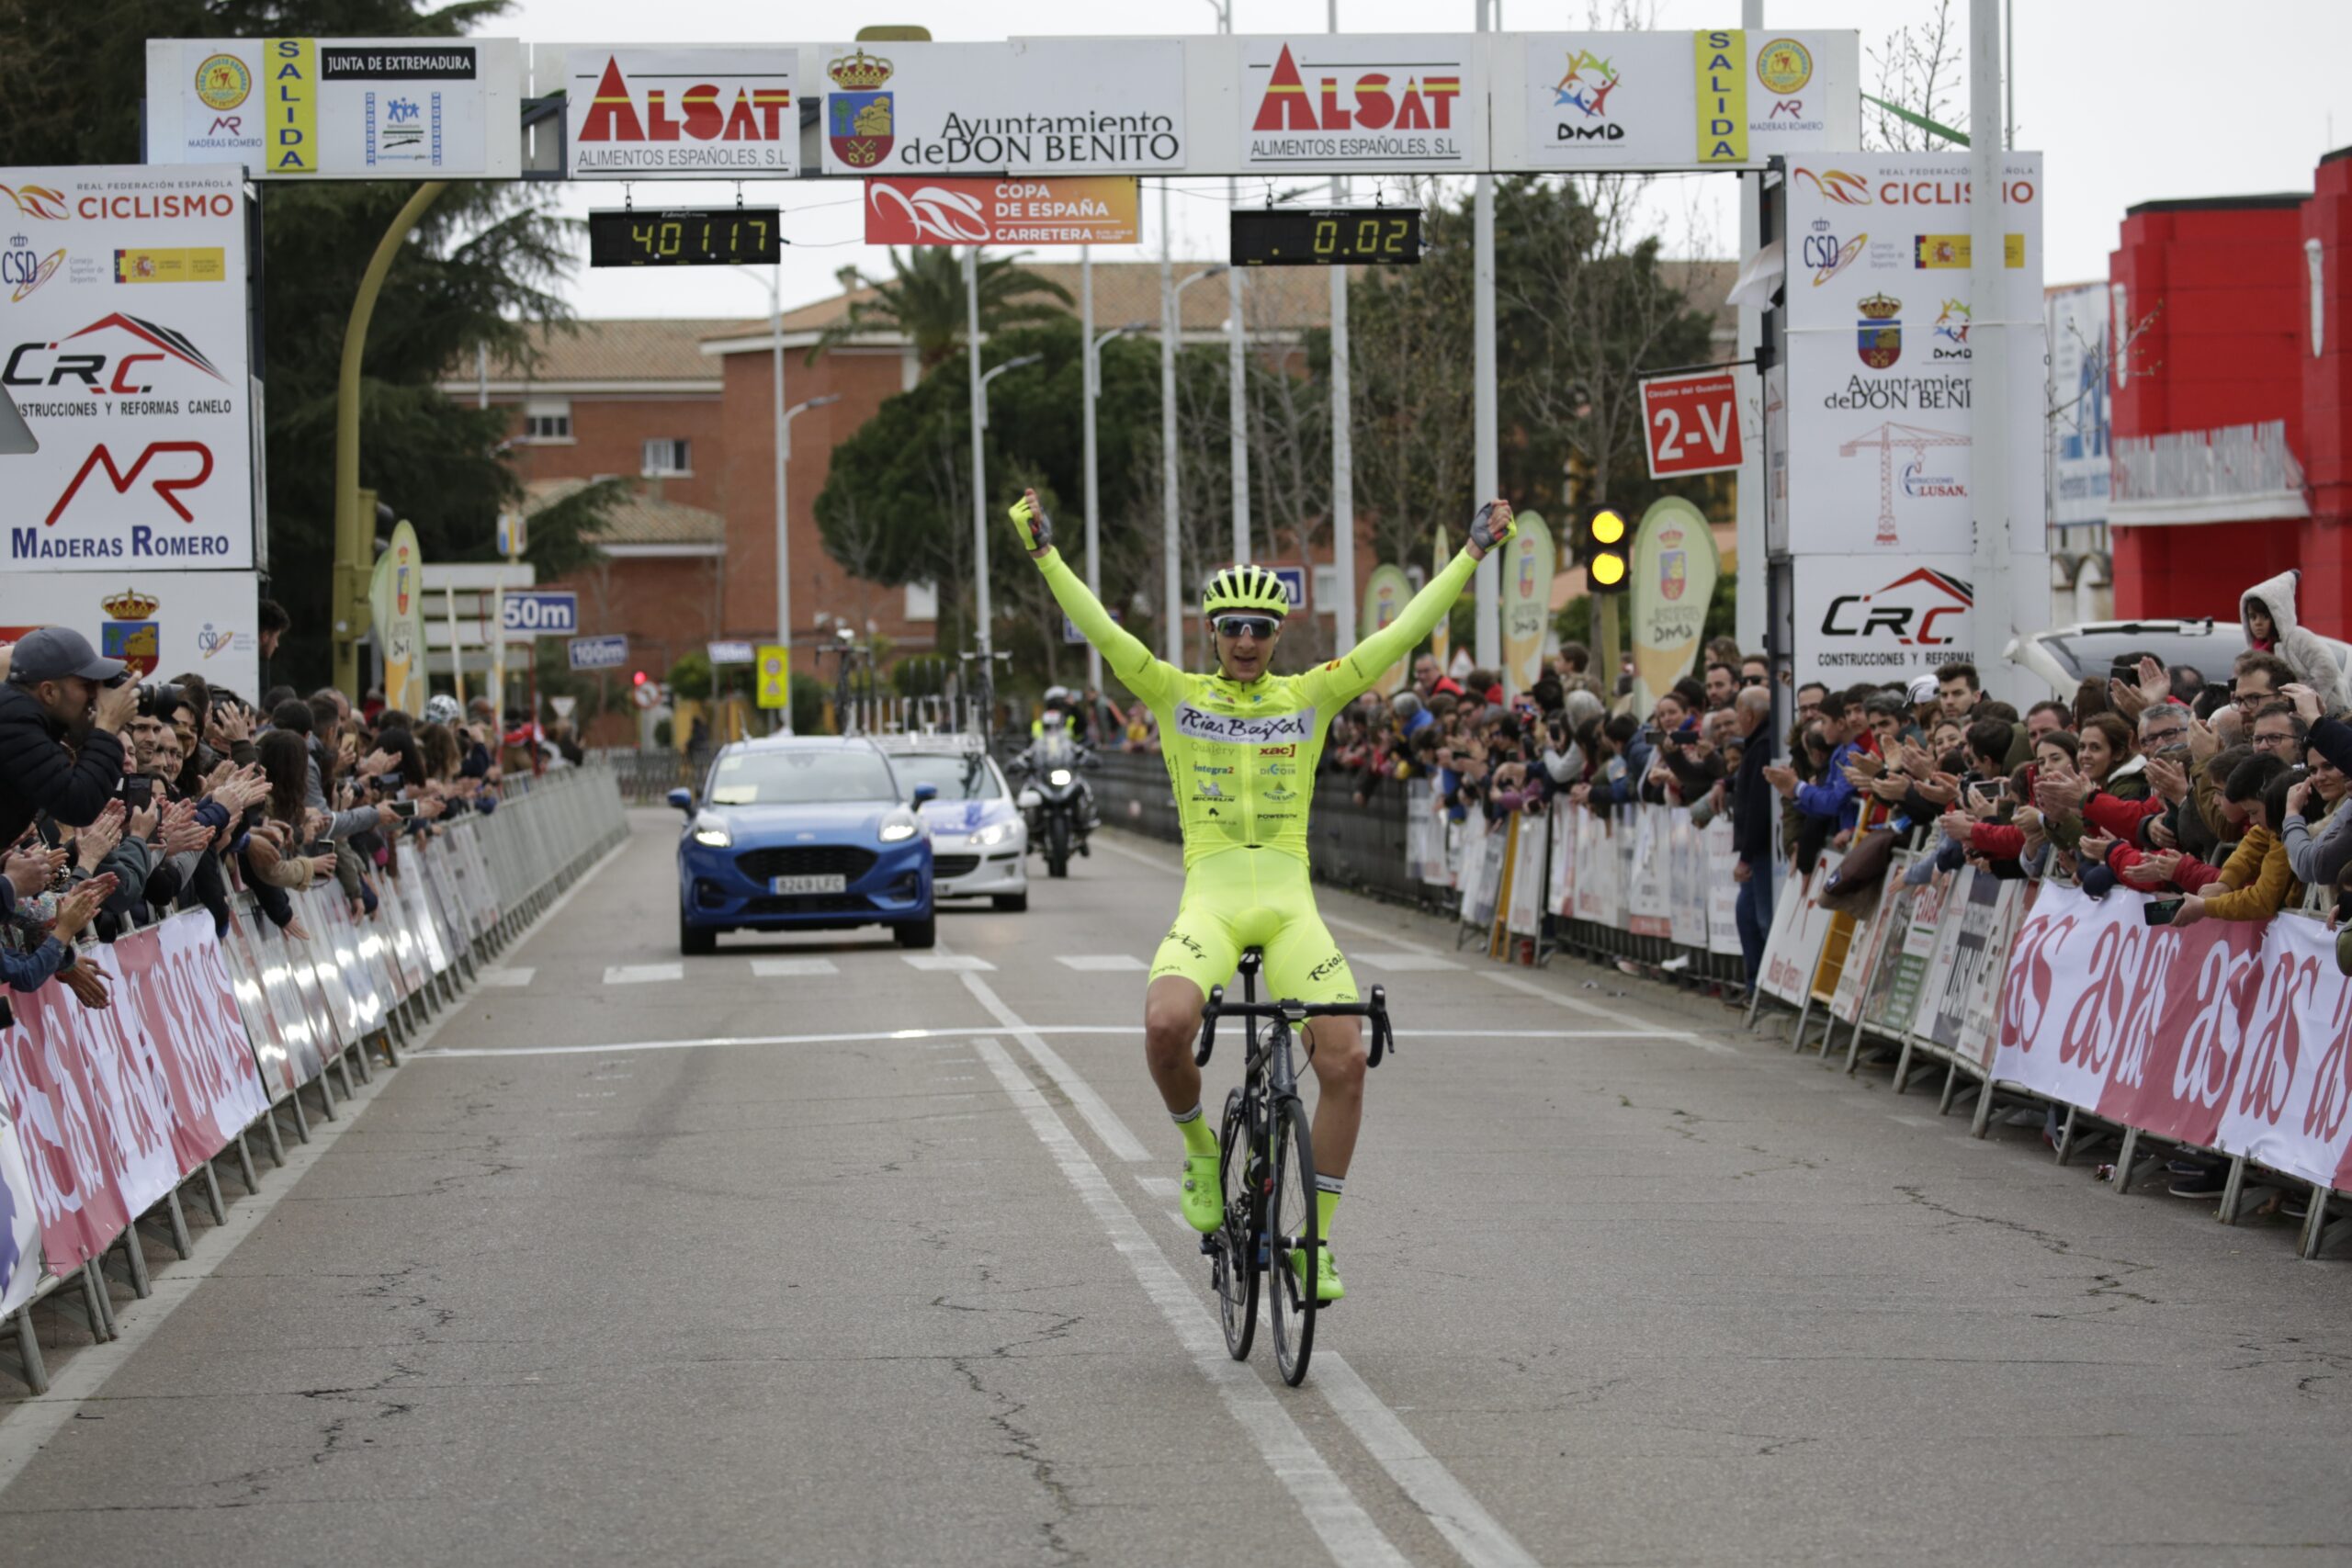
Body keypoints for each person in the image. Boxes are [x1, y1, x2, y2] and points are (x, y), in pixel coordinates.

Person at [1011, 487, 1516, 1305]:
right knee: (1165, 1025)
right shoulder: (1175, 695)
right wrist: (1045, 555)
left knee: (1347, 1060)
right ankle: (1202, 1150)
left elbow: (1401, 636)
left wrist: (1470, 554)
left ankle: (1313, 1241)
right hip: (1209, 897)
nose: (1246, 641)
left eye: (1260, 629)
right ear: (1213, 635)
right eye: (1232, 628)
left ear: (1278, 635)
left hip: (1290, 902)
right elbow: (1105, 631)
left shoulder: (1308, 697)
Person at [0, 628, 136, 849]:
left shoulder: (21, 714)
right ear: (49, 692)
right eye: (87, 685)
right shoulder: (15, 720)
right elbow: (77, 804)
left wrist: (94, 728)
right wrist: (107, 726)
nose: (95, 694)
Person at [2241, 570, 2352, 716]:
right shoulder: (2250, 655)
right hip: (2281, 722)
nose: (2258, 623)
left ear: (2278, 615)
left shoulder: (2298, 638)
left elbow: (2326, 669)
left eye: (2265, 617)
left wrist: (2305, 704)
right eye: (2252, 617)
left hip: (2327, 715)